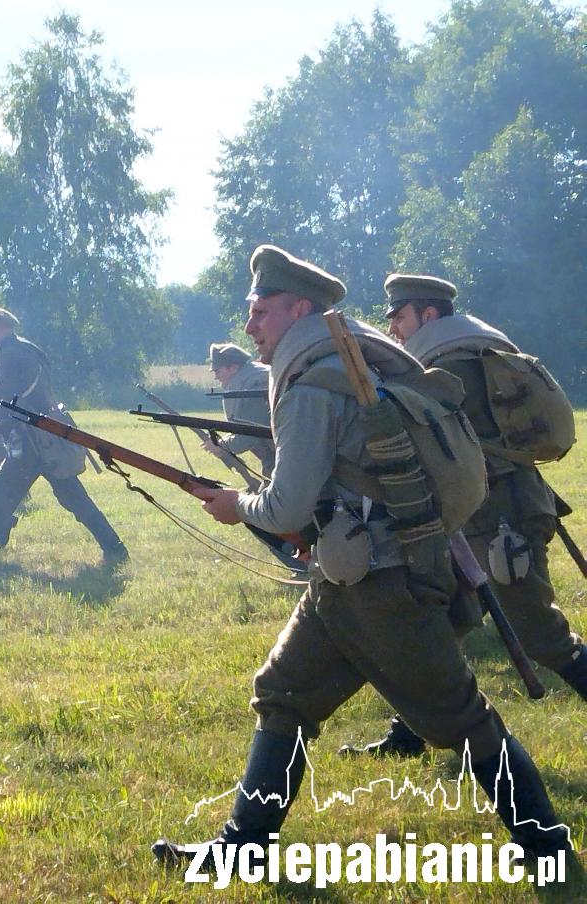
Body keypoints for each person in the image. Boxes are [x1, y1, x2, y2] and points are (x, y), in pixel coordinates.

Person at [151, 245, 572, 870]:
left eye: (261, 312)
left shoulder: (311, 382)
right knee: (283, 695)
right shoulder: (350, 359)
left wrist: (235, 504)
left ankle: (548, 849)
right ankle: (243, 850)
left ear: (298, 309)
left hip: (379, 587)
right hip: (350, 576)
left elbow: (287, 508)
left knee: (463, 719)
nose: (249, 327)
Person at [340, 274, 587, 758]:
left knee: (541, 634)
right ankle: (407, 737)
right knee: (438, 630)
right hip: (473, 516)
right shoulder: (468, 346)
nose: (394, 329)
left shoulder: (452, 362)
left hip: (500, 519)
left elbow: (425, 435)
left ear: (428, 315)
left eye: (400, 316)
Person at [0, 306, 127, 565]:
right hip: (44, 435)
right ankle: (115, 548)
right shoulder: (27, 348)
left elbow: (0, 393)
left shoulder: (10, 352)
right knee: (72, 496)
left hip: (31, 439)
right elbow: (18, 395)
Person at [203, 343, 274, 478]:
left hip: (285, 461)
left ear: (233, 368)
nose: (216, 377)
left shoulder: (255, 385)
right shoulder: (251, 378)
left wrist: (220, 445)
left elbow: (250, 435)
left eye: (217, 371)